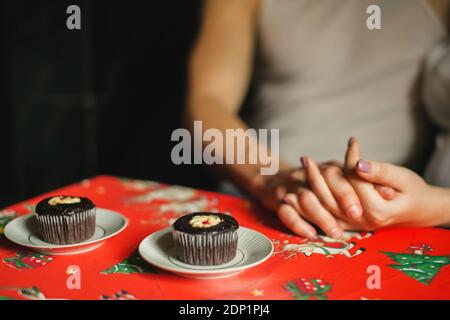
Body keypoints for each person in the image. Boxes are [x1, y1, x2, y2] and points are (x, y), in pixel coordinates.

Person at [185, 0, 449, 238]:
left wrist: (428, 203)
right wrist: (271, 177)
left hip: (393, 215)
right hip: (258, 198)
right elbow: (207, 102)